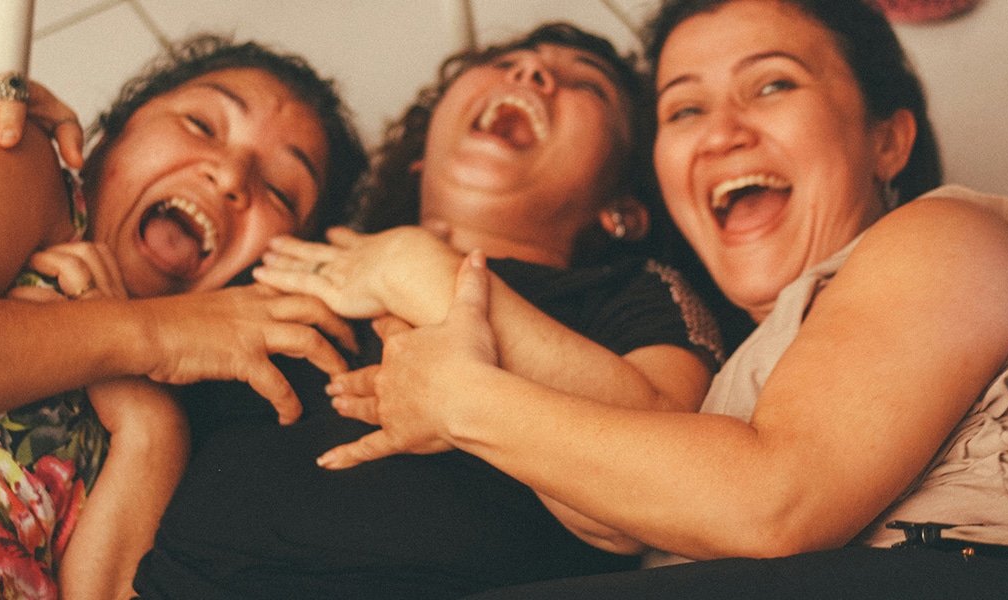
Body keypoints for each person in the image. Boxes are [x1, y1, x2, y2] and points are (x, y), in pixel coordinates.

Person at [280, 1, 1008, 599]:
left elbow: (778, 503)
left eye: (772, 85)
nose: (721, 131)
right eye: (685, 108)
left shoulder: (947, 233)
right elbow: (614, 519)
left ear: (887, 139)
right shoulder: (728, 384)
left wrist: (460, 399)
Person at [130, 23, 729, 600]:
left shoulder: (636, 291)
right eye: (502, 63)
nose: (531, 71)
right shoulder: (292, 267)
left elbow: (663, 477)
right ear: (420, 157)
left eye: (586, 83)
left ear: (623, 207)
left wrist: (424, 273)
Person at [0, 34, 367, 599]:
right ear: (109, 135)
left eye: (281, 191)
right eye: (201, 125)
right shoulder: (22, 167)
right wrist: (141, 335)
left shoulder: (184, 429)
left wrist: (150, 428)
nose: (232, 176)